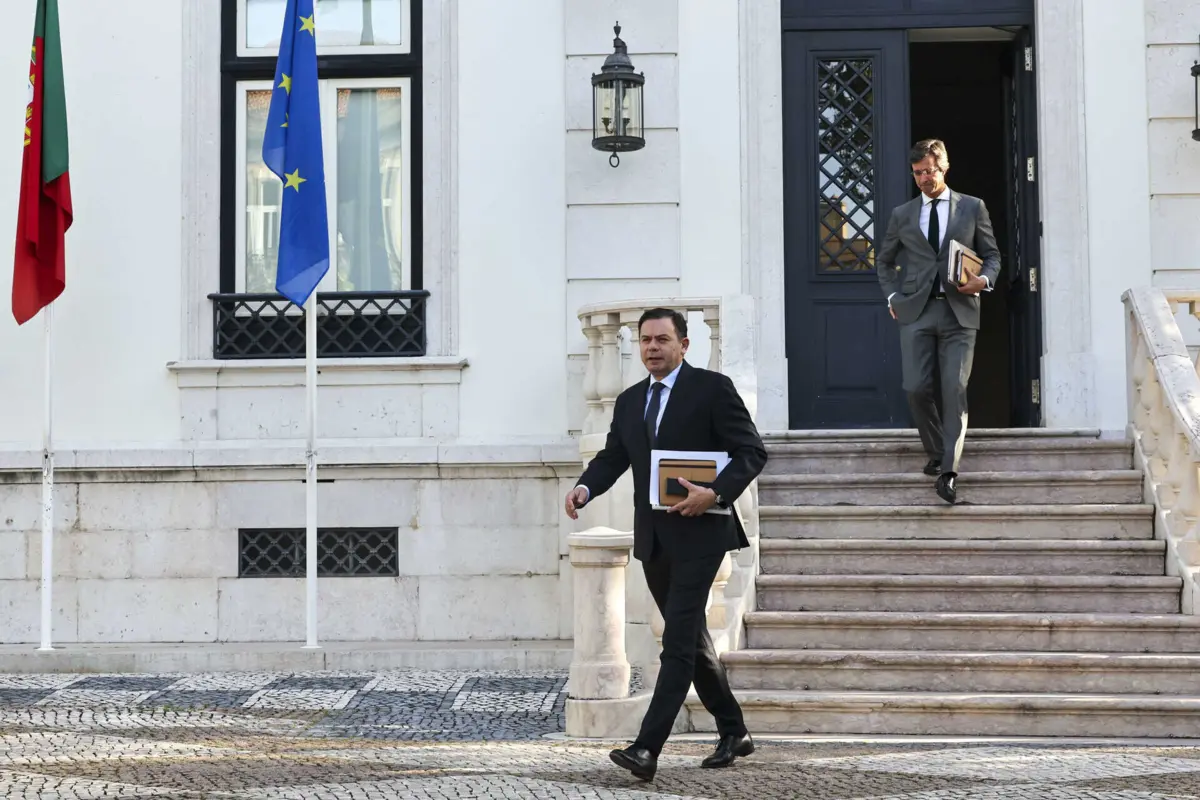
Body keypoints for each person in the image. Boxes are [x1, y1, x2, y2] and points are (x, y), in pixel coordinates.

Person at [564, 307, 767, 782]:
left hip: (703, 533)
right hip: (654, 539)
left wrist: (714, 492)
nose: (652, 347)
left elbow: (752, 451)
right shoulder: (630, 400)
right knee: (692, 642)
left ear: (684, 345)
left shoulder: (712, 389)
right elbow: (614, 455)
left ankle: (646, 747)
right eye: (645, 340)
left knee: (676, 642)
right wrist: (585, 488)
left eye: (662, 339)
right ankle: (734, 731)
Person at [876, 139, 1001, 504]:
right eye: (917, 173)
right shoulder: (903, 214)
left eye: (928, 171)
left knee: (954, 390)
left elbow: (992, 255)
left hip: (960, 311)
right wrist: (892, 296)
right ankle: (935, 451)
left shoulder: (973, 208)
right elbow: (884, 261)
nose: (923, 178)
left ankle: (948, 471)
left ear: (943, 167)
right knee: (915, 388)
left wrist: (985, 280)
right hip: (916, 310)